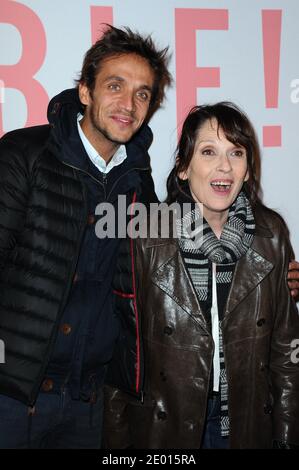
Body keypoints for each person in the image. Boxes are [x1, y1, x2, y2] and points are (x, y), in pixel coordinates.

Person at [0, 24, 171, 448]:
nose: (128, 104)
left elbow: (173, 264)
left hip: (90, 404)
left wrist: (267, 265)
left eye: (142, 94)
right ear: (85, 92)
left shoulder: (139, 184)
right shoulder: (24, 155)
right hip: (13, 398)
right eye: (115, 86)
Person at [104, 102, 299, 449]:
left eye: (236, 153)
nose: (224, 166)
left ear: (248, 170)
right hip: (166, 424)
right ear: (183, 167)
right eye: (209, 151)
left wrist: (287, 437)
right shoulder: (147, 233)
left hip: (246, 419)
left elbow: (286, 352)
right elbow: (123, 353)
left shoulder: (271, 235)